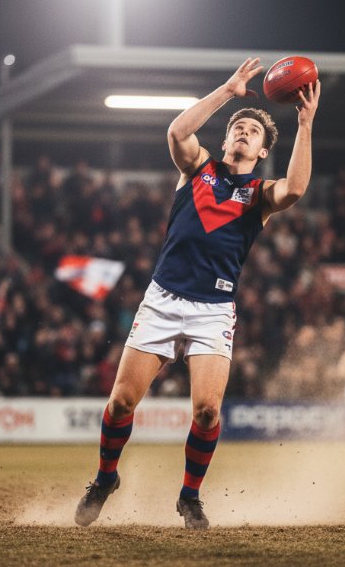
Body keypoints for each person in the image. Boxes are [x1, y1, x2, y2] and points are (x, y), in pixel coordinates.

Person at [74, 58, 321, 529]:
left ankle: (189, 496)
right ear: (226, 139)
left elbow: (296, 188)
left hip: (212, 311)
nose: (244, 133)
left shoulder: (259, 194)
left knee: (208, 411)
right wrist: (229, 93)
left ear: (264, 149)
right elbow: (176, 133)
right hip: (163, 299)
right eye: (238, 128)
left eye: (253, 131)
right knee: (122, 403)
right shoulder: (197, 169)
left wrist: (305, 124)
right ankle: (106, 478)